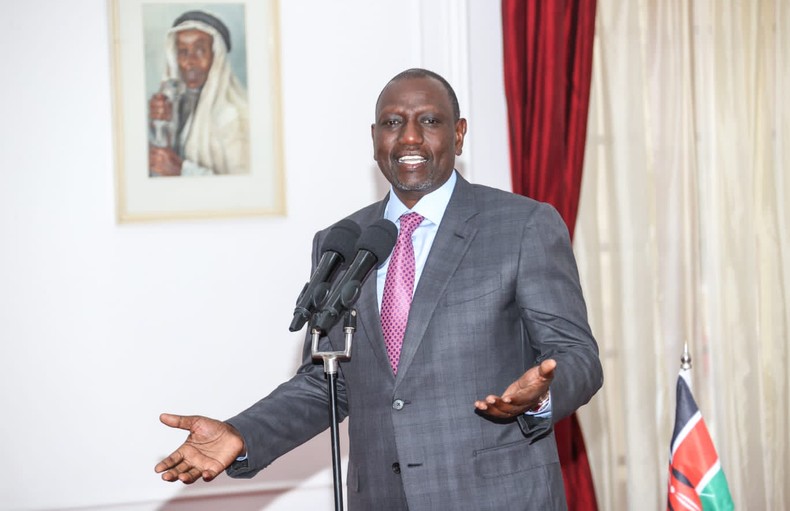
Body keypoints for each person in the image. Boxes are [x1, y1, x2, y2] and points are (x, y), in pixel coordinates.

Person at [155, 68, 603, 510]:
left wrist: (540, 396)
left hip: (494, 496)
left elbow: (577, 355)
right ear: (374, 138)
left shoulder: (522, 225)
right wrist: (241, 433)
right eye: (392, 123)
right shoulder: (341, 242)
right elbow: (327, 381)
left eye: (429, 121)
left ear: (459, 134)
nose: (409, 137)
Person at [148, 10, 249, 176]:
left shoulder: (235, 116)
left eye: (200, 50)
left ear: (216, 57)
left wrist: (181, 171)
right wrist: (158, 125)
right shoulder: (178, 104)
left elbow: (243, 191)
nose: (190, 62)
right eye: (183, 52)